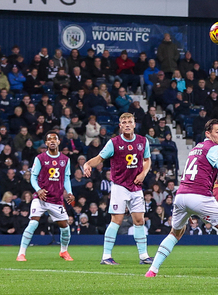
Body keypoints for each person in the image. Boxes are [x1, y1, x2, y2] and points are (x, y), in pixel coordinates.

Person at [145, 119, 218, 277]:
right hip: (198, 195)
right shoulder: (215, 148)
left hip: (181, 196)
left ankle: (152, 270)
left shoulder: (196, 148)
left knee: (175, 233)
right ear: (208, 133)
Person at [83, 113, 152, 265]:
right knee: (117, 220)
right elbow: (100, 158)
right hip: (120, 186)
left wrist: (143, 173)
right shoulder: (113, 143)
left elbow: (147, 160)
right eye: (124, 122)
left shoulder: (143, 141)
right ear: (120, 126)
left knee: (139, 220)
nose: (127, 124)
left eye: (130, 122)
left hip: (136, 186)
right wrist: (88, 164)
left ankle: (144, 256)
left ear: (134, 124)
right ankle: (106, 256)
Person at [17, 132, 75, 262]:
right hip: (41, 198)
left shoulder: (65, 160)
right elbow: (33, 177)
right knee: (33, 223)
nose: (52, 141)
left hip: (56, 199)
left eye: (55, 139)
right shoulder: (40, 158)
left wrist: (69, 192)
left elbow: (66, 178)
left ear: (59, 142)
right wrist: (38, 190)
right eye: (49, 139)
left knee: (65, 227)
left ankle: (63, 251)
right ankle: (21, 253)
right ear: (46, 143)